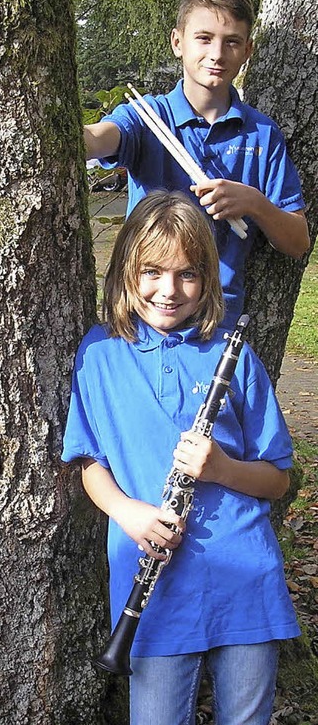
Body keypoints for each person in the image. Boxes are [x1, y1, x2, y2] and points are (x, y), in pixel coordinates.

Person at [62, 191, 299, 725]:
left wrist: (222, 470)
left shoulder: (229, 355)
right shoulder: (99, 352)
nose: (168, 291)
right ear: (126, 269)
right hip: (153, 579)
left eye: (187, 275)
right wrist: (128, 512)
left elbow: (278, 479)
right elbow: (88, 461)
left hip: (244, 575)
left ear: (208, 281)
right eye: (152, 272)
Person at [85, 0, 309, 328]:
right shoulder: (148, 116)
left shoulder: (262, 134)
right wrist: (75, 134)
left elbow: (297, 242)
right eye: (204, 39)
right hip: (141, 311)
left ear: (247, 51)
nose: (217, 54)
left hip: (215, 320)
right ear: (178, 42)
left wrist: (253, 203)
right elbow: (100, 139)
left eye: (231, 42)